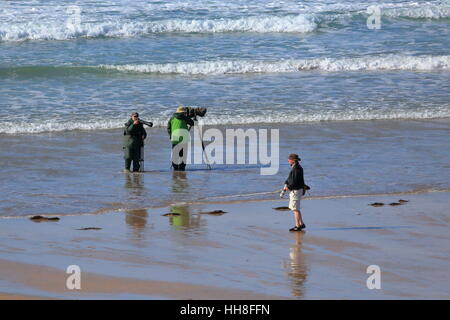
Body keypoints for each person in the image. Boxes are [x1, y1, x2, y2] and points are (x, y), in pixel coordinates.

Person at [284, 153, 306, 232]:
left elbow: (295, 182)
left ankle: (297, 225)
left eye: (289, 159)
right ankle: (301, 224)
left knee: (295, 209)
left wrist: (288, 187)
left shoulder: (296, 168)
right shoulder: (297, 167)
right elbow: (291, 178)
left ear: (293, 160)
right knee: (296, 208)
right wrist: (286, 182)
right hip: (297, 190)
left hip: (295, 191)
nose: (288, 161)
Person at [167, 106, 194, 171]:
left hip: (175, 138)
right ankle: (181, 169)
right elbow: (192, 123)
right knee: (182, 155)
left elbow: (168, 128)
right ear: (183, 112)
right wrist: (190, 117)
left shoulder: (172, 118)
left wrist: (171, 135)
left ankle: (175, 168)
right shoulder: (185, 118)